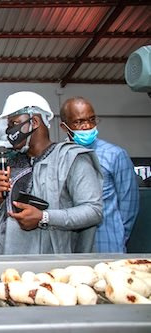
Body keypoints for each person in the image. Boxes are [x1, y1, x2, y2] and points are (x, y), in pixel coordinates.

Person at [0, 91, 103, 255]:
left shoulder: (71, 159)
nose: (10, 131)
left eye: (14, 123)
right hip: (7, 264)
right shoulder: (10, 165)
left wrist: (44, 217)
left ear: (35, 122)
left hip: (52, 267)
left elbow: (93, 211)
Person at [60, 97, 139, 253]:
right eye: (79, 122)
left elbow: (129, 206)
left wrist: (118, 237)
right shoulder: (58, 157)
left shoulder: (115, 155)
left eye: (92, 119)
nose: (87, 126)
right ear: (64, 127)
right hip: (69, 246)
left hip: (107, 242)